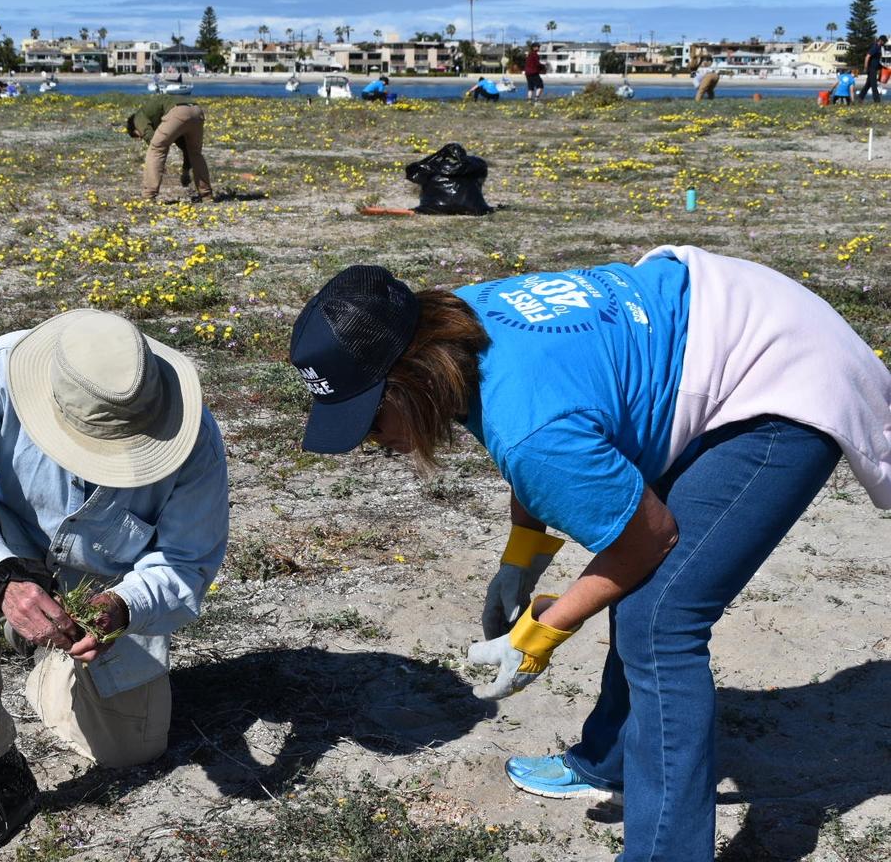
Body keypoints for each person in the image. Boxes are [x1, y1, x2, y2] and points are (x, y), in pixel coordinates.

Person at [288, 252, 891, 862]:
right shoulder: (455, 326)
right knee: (643, 599)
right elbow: (531, 426)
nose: (371, 441)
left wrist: (541, 633)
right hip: (725, 316)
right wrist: (523, 554)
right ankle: (612, 759)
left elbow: (647, 537)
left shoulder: (527, 425)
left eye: (369, 418)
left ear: (413, 379)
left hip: (785, 369)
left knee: (660, 620)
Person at [0, 309, 229, 860]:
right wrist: (1, 574)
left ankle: (50, 664)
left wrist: (123, 605)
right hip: (3, 545)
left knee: (131, 750)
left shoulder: (194, 438)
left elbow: (188, 561)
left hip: (102, 582)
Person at [126, 94, 213, 202]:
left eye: (138, 136)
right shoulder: (168, 122)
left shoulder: (138, 117)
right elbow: (185, 148)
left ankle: (148, 195)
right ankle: (206, 196)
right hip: (196, 111)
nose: (141, 138)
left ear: (134, 130)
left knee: (156, 148)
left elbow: (150, 137)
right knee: (195, 153)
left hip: (177, 112)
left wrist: (159, 164)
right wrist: (185, 171)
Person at [857, 34, 885, 103]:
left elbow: (875, 60)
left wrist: (882, 67)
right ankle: (877, 101)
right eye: (884, 42)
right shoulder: (875, 47)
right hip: (871, 69)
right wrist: (865, 67)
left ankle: (860, 98)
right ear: (881, 41)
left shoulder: (879, 48)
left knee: (868, 85)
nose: (884, 43)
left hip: (875, 68)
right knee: (874, 85)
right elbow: (867, 57)